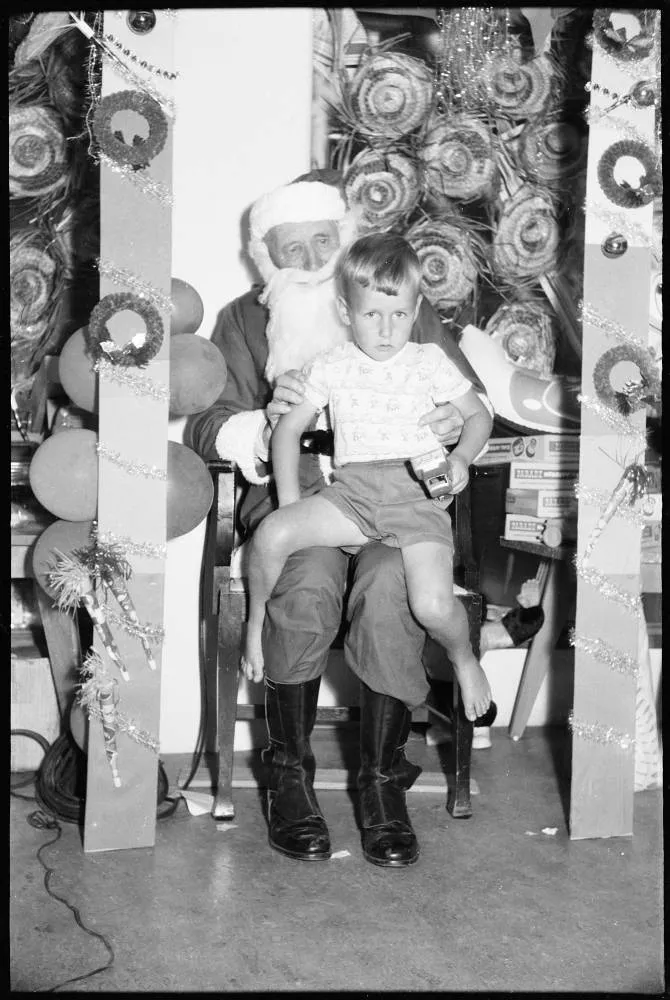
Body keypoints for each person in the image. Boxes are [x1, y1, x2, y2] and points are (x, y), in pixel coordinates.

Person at [184, 171, 539, 868]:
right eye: (293, 248)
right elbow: (204, 426)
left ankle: (383, 787)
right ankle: (288, 782)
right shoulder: (240, 321)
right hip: (307, 503)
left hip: (401, 503)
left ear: (344, 239)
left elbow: (469, 403)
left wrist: (446, 421)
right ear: (267, 257)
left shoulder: (401, 308)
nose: (312, 259)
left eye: (324, 240)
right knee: (306, 586)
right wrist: (262, 420)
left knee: (387, 595)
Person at [242, 232, 494, 740]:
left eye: (398, 315)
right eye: (370, 315)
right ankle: (253, 630)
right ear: (345, 309)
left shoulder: (428, 361)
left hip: (415, 499)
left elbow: (478, 416)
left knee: (431, 605)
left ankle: (464, 657)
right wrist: (290, 506)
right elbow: (289, 429)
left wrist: (462, 456)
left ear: (416, 306)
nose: (385, 329)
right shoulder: (332, 365)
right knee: (271, 534)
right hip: (352, 498)